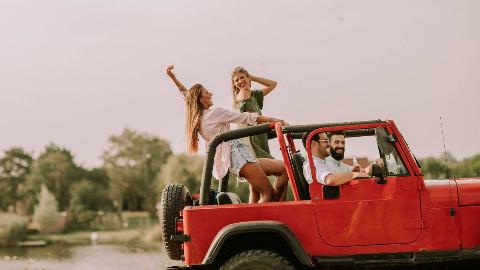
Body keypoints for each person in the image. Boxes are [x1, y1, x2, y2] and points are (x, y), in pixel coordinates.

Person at [166, 65, 288, 203]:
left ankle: (274, 212)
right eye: (206, 93)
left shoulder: (197, 117)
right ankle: (261, 220)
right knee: (268, 193)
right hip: (237, 155)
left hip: (239, 155)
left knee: (283, 169)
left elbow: (187, 95)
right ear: (200, 99)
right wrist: (273, 120)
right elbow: (246, 117)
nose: (210, 94)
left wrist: (173, 78)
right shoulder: (215, 113)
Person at [230, 67, 288, 202]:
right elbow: (253, 117)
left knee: (254, 189)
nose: (240, 81)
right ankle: (275, 206)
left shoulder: (253, 95)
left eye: (242, 77)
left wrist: (252, 77)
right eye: (236, 80)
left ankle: (255, 213)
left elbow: (273, 84)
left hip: (259, 143)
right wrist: (273, 120)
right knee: (285, 170)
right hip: (252, 146)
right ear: (234, 85)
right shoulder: (243, 94)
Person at [302, 132, 370, 186]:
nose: (329, 144)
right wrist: (355, 174)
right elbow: (330, 180)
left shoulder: (320, 162)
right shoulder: (313, 164)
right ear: (314, 144)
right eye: (325, 141)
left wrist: (353, 172)